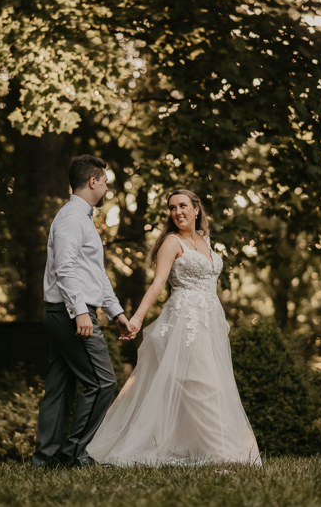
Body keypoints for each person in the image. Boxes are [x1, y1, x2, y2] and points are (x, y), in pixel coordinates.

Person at [86, 189, 261, 466]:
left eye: (182, 206)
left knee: (214, 384)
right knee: (200, 385)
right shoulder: (171, 242)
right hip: (185, 321)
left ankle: (203, 448)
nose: (177, 211)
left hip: (210, 320)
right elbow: (157, 285)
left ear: (196, 210)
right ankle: (222, 452)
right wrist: (137, 318)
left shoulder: (206, 240)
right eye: (172, 207)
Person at [31, 155, 131, 468]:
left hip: (68, 311)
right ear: (92, 182)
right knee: (103, 382)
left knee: (60, 388)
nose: (105, 188)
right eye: (104, 182)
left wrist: (116, 313)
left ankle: (44, 462)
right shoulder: (72, 217)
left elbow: (95, 274)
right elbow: (64, 268)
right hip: (70, 313)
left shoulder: (81, 218)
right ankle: (74, 455)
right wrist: (80, 312)